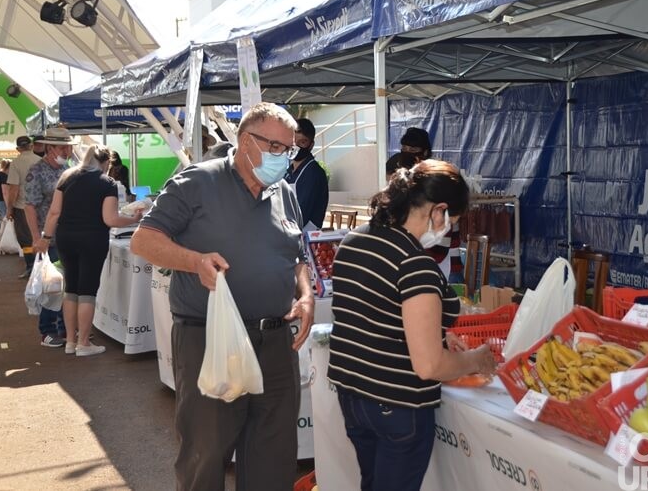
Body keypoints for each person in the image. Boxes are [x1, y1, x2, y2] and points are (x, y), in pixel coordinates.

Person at [130, 102, 314, 491]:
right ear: (247, 142)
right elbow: (144, 241)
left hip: (276, 341)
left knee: (274, 452)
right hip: (210, 338)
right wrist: (193, 260)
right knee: (206, 450)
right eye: (277, 147)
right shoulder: (197, 182)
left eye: (290, 149)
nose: (284, 157)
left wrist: (306, 293)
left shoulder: (285, 192)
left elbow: (296, 256)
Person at [327, 159, 498, 491]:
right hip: (397, 406)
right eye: (453, 220)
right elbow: (429, 365)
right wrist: (477, 359)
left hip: (353, 396)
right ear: (438, 210)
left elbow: (377, 313)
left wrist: (439, 332)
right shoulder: (414, 263)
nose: (449, 228)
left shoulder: (354, 241)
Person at [36, 144, 142, 356]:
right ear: (105, 163)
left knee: (71, 288)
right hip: (93, 239)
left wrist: (46, 238)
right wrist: (134, 219)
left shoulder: (66, 176)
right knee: (88, 291)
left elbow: (54, 212)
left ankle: (70, 341)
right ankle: (84, 343)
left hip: (65, 238)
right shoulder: (107, 183)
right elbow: (110, 219)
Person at [25, 128, 76, 348]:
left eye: (69, 146)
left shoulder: (68, 169)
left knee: (69, 284)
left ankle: (66, 330)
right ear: (50, 148)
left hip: (69, 235)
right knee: (52, 285)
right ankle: (47, 330)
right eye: (63, 147)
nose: (67, 150)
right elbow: (30, 206)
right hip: (48, 238)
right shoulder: (36, 171)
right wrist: (37, 238)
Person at [5, 135, 42, 277]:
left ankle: (31, 267)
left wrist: (9, 208)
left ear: (17, 149)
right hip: (40, 206)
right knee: (42, 236)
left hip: (22, 207)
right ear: (32, 146)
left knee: (25, 239)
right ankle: (43, 266)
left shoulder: (16, 163)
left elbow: (13, 188)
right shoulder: (40, 161)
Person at [284, 118, 329, 229]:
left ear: (311, 145)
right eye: (294, 142)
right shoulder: (288, 172)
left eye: (302, 142)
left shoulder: (314, 173)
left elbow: (302, 214)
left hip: (305, 237)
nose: (297, 146)